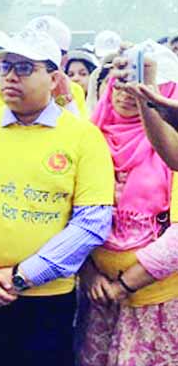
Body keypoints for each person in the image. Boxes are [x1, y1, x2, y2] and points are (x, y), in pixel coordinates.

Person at [0, 28, 114, 365]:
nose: (10, 77)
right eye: (5, 68)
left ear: (55, 80)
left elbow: (93, 221)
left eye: (24, 68)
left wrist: (23, 276)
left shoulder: (84, 137)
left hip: (47, 299)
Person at [77, 49, 178, 366]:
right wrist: (90, 273)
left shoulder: (170, 149)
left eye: (142, 85)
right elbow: (68, 213)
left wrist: (125, 284)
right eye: (120, 83)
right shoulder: (89, 138)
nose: (126, 93)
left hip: (155, 298)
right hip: (99, 297)